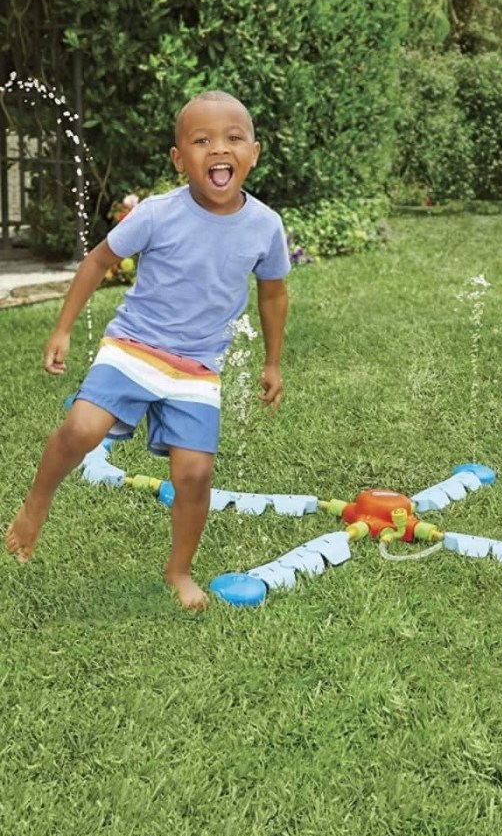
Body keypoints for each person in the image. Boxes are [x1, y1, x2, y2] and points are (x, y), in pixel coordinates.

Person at [5, 90, 291, 610]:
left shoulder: (265, 226)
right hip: (134, 346)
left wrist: (272, 361)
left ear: (253, 153)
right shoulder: (158, 213)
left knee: (195, 475)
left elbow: (272, 293)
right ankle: (36, 504)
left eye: (233, 138)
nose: (218, 149)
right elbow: (97, 261)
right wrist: (62, 329)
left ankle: (178, 571)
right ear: (179, 159)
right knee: (81, 429)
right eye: (201, 141)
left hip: (198, 367)